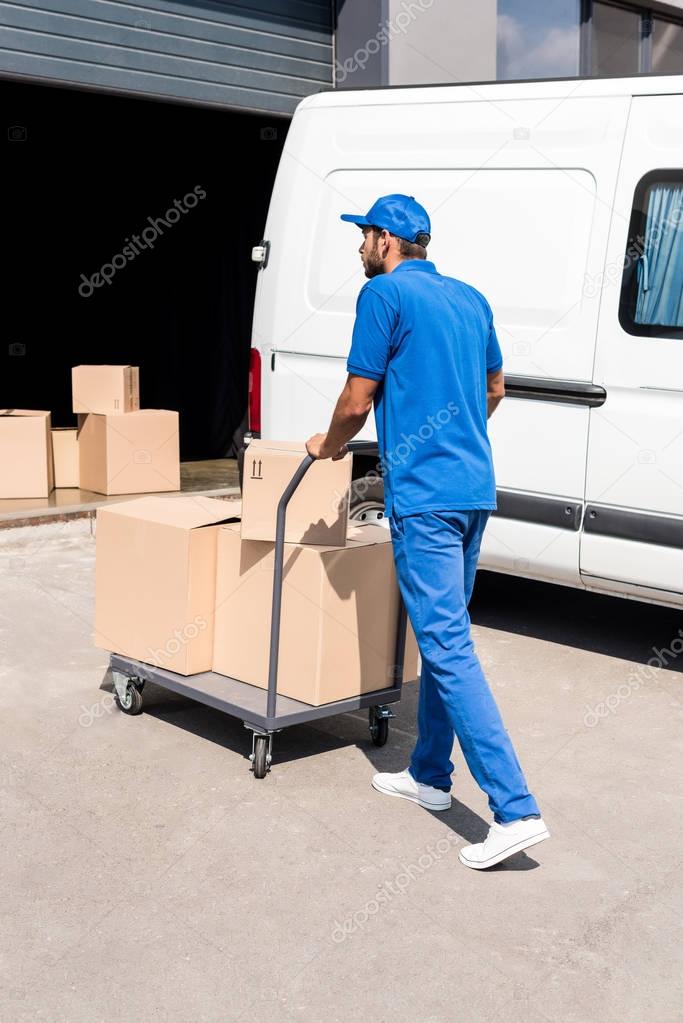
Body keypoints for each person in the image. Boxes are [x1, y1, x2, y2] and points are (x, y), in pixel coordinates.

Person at [305, 194, 549, 870]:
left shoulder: (383, 297)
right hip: (473, 491)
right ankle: (429, 774)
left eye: (362, 235)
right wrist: (458, 438)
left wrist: (328, 445)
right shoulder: (469, 299)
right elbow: (495, 386)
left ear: (386, 240)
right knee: (445, 635)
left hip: (425, 499)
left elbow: (357, 398)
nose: (358, 247)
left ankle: (514, 807)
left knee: (444, 641)